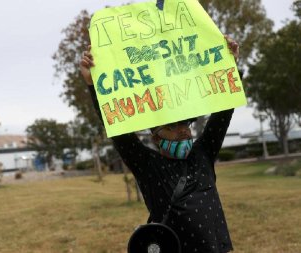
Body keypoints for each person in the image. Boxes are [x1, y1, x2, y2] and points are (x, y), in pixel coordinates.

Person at [80, 35, 240, 253]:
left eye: (185, 124)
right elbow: (117, 129)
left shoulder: (203, 154)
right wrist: (92, 83)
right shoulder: (148, 166)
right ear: (155, 137)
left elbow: (224, 111)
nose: (183, 129)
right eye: (172, 127)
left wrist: (229, 63)